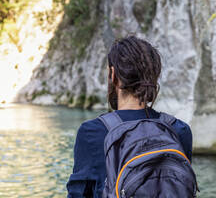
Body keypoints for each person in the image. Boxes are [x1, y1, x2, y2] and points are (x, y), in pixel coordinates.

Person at [66, 36, 193, 198]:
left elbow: (78, 194)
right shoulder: (179, 130)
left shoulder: (92, 132)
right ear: (154, 77)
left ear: (113, 75)